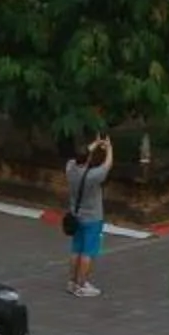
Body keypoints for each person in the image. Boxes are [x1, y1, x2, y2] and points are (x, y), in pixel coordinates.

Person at [65, 127, 111, 298]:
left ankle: (72, 282)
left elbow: (81, 155)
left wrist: (95, 144)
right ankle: (82, 285)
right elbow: (107, 165)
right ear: (89, 159)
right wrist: (108, 148)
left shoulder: (70, 168)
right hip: (92, 218)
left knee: (76, 249)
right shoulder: (93, 176)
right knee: (88, 252)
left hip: (76, 215)